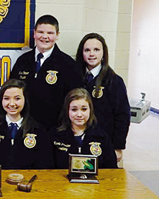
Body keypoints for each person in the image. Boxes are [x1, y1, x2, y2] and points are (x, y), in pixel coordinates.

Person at [9, 15, 82, 130]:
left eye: (50, 33)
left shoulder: (68, 65)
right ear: (34, 33)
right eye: (40, 32)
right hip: (24, 128)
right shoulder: (22, 61)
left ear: (57, 35)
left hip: (55, 129)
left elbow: (75, 101)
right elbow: (10, 93)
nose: (45, 36)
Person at [0, 79, 53, 169]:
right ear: (1, 100)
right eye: (6, 98)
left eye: (17, 98)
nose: (12, 103)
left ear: (25, 99)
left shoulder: (38, 130)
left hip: (28, 182)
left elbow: (45, 166)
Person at [76, 33, 130, 163]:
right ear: (81, 53)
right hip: (78, 140)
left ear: (103, 53)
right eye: (87, 50)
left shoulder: (114, 81)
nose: (91, 54)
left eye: (96, 50)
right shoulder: (75, 76)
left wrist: (118, 146)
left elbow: (122, 115)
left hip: (103, 143)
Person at [50, 88, 117, 169]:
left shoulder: (102, 137)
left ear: (90, 110)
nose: (79, 114)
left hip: (95, 180)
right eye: (74, 109)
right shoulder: (55, 135)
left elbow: (112, 169)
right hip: (62, 180)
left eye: (84, 109)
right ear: (67, 111)